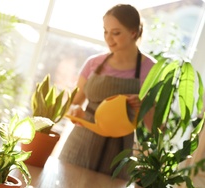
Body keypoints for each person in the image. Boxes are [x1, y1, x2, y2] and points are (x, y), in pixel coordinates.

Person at [58, 4, 155, 179]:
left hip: (119, 152)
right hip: (80, 144)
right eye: (105, 32)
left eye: (116, 33)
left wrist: (143, 107)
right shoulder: (93, 63)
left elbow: (155, 127)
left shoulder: (150, 70)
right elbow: (75, 101)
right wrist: (74, 111)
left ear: (133, 32)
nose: (109, 39)